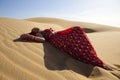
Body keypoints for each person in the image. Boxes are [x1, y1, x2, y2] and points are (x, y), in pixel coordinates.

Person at [20, 26, 112, 70]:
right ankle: (92, 59)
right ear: (33, 32)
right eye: (33, 30)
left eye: (35, 28)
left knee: (77, 30)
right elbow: (42, 40)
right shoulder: (39, 34)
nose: (35, 29)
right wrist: (32, 37)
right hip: (56, 39)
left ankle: (93, 57)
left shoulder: (44, 30)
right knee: (75, 34)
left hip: (59, 35)